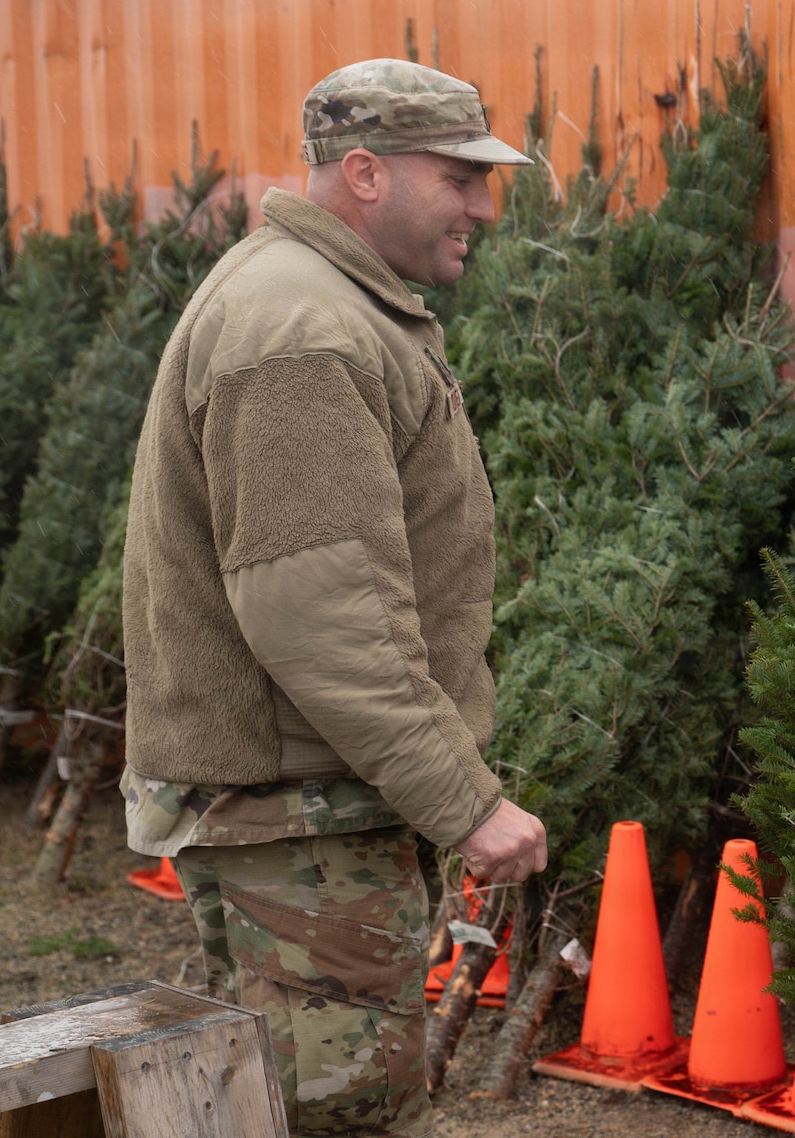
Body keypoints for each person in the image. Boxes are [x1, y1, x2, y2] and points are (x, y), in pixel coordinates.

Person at [120, 59, 548, 1136]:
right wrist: (466, 802)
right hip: (301, 814)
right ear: (364, 173)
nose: (483, 207)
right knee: (343, 1117)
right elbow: (320, 614)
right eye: (459, 177)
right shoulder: (301, 331)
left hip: (310, 804)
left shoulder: (320, 304)